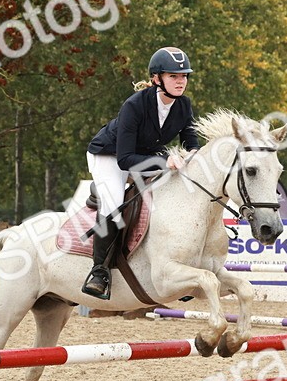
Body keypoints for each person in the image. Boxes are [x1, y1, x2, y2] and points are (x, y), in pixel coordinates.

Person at [82, 46, 199, 299]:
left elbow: (191, 143)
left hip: (145, 155)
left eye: (184, 76)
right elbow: (124, 160)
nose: (181, 81)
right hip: (109, 155)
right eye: (173, 76)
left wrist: (192, 158)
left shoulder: (184, 105)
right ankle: (99, 271)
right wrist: (164, 160)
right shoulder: (134, 105)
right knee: (114, 202)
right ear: (157, 79)